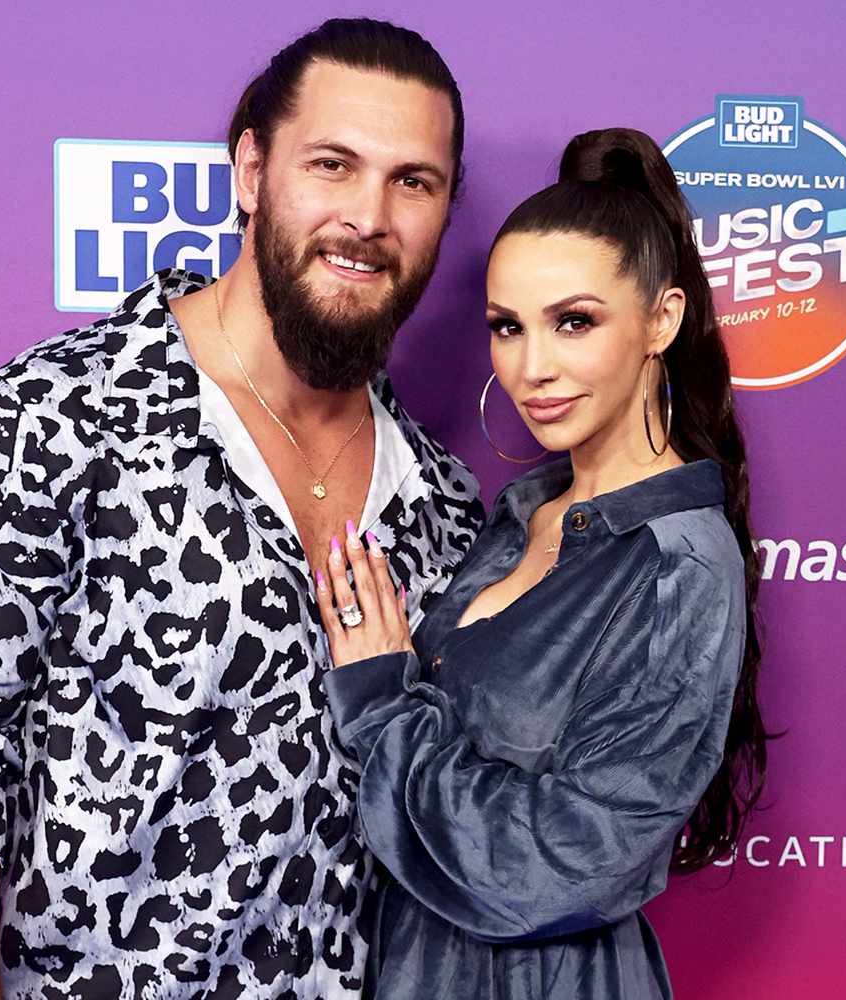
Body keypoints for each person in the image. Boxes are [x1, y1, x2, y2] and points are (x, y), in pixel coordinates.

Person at [0, 19, 485, 1000]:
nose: (370, 215)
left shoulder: (444, 503)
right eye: (333, 164)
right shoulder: (45, 417)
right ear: (251, 171)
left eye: (414, 181)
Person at [314, 127, 770, 998]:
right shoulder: (523, 513)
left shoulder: (680, 568)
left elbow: (563, 861)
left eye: (574, 323)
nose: (533, 368)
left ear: (661, 320)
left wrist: (381, 708)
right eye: (507, 328)